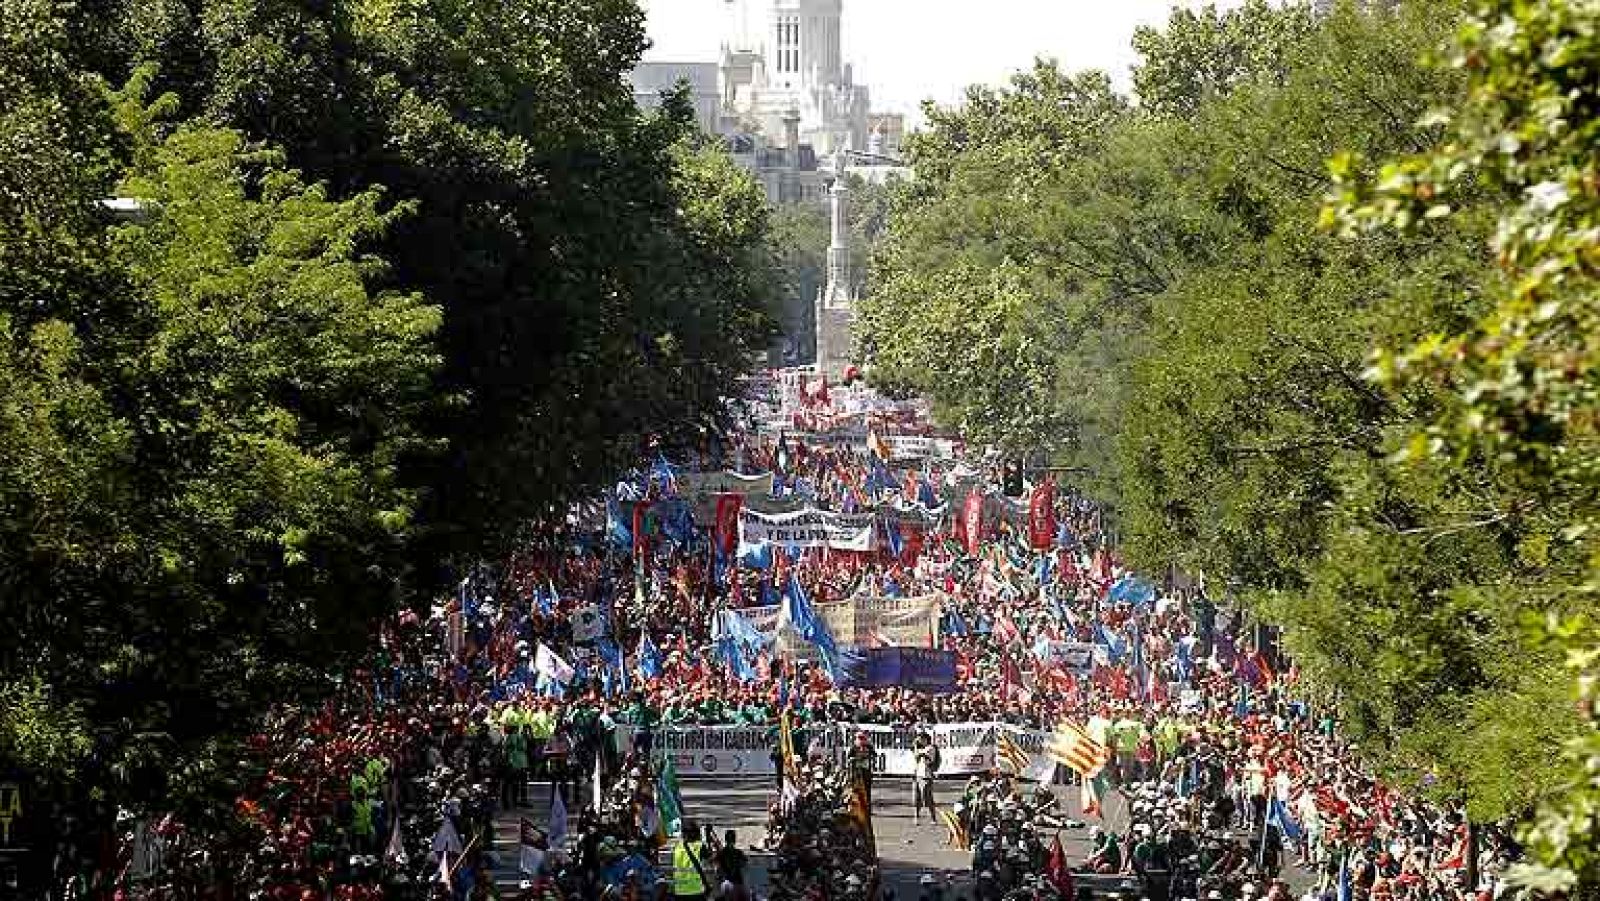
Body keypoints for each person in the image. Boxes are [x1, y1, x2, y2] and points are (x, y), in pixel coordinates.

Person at [672, 821, 712, 901]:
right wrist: (708, 838)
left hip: (679, 891)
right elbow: (710, 858)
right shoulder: (699, 846)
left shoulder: (677, 848)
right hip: (696, 890)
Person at [912, 730, 940, 825]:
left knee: (927, 798)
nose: (919, 741)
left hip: (926, 776)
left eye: (920, 739)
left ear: (925, 739)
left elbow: (920, 755)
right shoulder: (922, 748)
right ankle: (916, 817)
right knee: (917, 798)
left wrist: (916, 747)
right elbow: (916, 757)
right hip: (918, 775)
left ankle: (933, 818)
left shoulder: (931, 748)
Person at [714, 829, 749, 900]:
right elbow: (745, 866)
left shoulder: (720, 853)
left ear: (726, 839)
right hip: (737, 883)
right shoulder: (739, 853)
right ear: (735, 840)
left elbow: (717, 870)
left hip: (727, 883)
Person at [848, 732, 876, 807]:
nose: (861, 740)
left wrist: (868, 757)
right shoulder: (854, 747)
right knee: (855, 788)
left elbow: (874, 756)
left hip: (866, 770)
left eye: (863, 738)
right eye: (859, 738)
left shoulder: (869, 746)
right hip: (856, 771)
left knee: (867, 789)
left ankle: (867, 805)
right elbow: (849, 758)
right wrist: (856, 758)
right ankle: (856, 805)